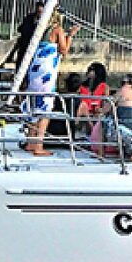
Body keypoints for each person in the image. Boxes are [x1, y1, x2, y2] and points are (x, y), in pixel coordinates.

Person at [23, 9, 80, 156]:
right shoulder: (57, 29)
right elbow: (63, 50)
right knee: (45, 109)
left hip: (34, 70)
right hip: (46, 73)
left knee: (34, 105)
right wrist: (71, 36)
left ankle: (30, 142)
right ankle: (38, 146)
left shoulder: (39, 29)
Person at [100, 76, 132, 159]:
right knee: (128, 124)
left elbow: (105, 109)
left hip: (126, 136)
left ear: (125, 82)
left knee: (103, 122)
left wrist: (101, 107)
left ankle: (101, 153)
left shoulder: (122, 91)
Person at [3, 0, 44, 69]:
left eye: (42, 6)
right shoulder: (29, 17)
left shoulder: (47, 21)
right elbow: (21, 30)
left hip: (37, 51)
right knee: (20, 68)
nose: (39, 8)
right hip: (24, 47)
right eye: (38, 6)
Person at [46, 72, 84, 144]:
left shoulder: (57, 96)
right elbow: (76, 121)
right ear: (79, 87)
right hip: (66, 131)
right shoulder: (79, 100)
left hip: (50, 129)